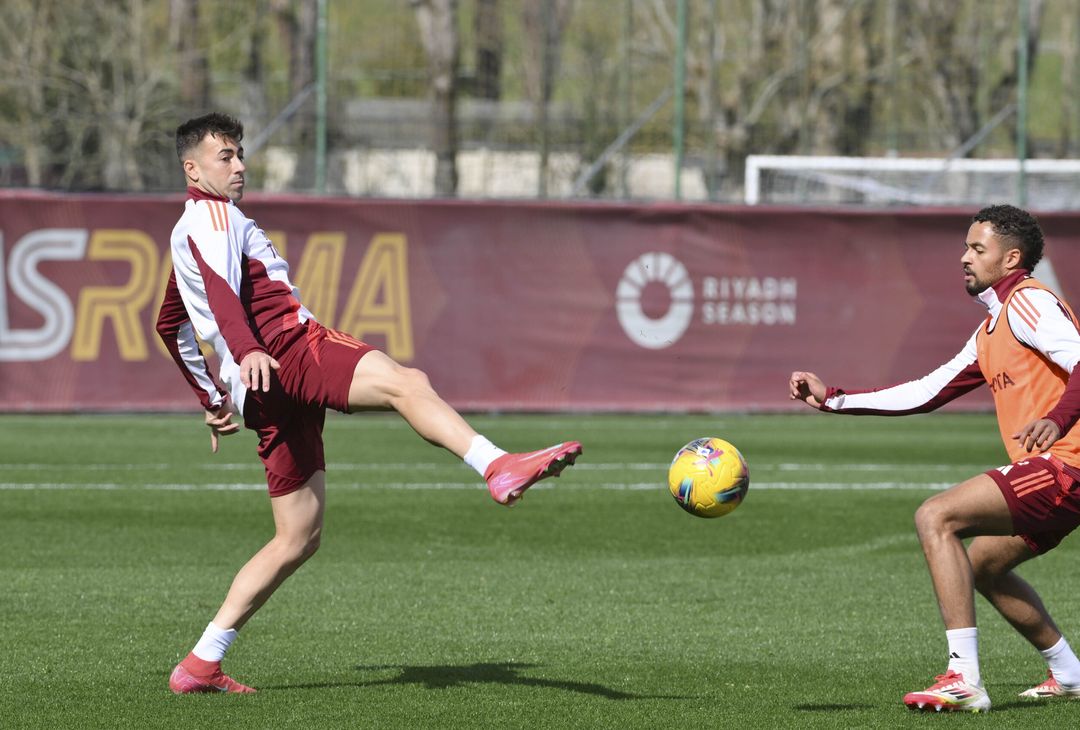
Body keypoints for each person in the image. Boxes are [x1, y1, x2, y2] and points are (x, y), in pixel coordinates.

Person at [157, 112, 582, 694]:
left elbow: (169, 322)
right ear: (192, 168)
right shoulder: (213, 216)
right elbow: (225, 294)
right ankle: (495, 465)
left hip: (258, 388)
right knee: (408, 383)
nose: (239, 165)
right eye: (225, 156)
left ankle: (201, 663)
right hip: (286, 349)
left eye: (239, 154)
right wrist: (249, 345)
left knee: (297, 538)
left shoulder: (187, 228)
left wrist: (212, 396)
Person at [790, 204, 1080, 713]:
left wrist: (1057, 419)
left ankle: (963, 678)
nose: (964, 257)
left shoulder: (1029, 304)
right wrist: (834, 398)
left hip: (1066, 467)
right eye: (966, 246)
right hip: (1053, 470)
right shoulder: (992, 330)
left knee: (936, 515)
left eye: (976, 248)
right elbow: (926, 391)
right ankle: (1070, 674)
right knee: (984, 566)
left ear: (1011, 258)